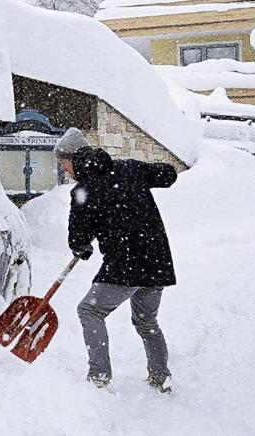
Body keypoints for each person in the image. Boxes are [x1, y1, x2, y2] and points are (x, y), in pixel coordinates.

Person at [54, 128, 177, 393]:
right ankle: (160, 377)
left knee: (89, 311)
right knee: (147, 322)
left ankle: (99, 376)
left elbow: (79, 241)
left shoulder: (83, 191)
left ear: (74, 159)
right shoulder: (130, 168)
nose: (64, 170)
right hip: (156, 261)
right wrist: (150, 175)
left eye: (63, 163)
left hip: (125, 265)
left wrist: (82, 247)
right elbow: (168, 175)